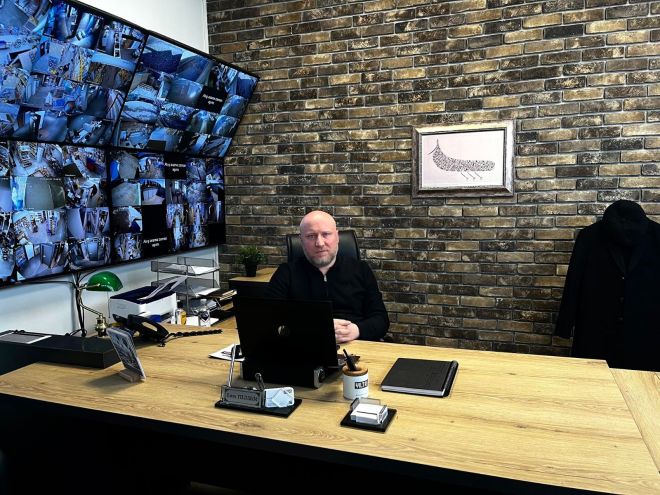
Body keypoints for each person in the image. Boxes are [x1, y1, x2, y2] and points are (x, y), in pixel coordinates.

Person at [266, 211, 389, 343]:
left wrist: (356, 330)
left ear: (337, 237)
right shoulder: (286, 272)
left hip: (357, 344)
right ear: (301, 240)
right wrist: (317, 327)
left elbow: (381, 319)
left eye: (326, 234)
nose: (320, 243)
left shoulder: (360, 269)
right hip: (305, 345)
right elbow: (269, 319)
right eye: (311, 236)